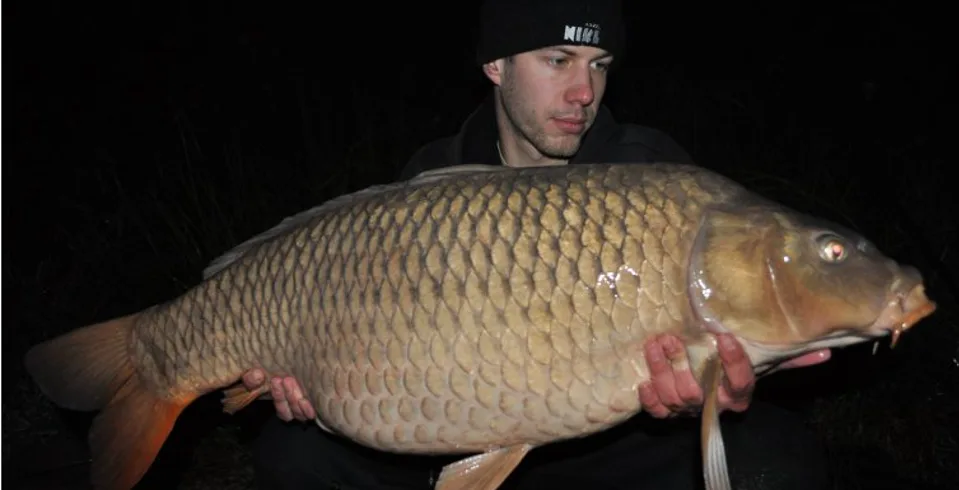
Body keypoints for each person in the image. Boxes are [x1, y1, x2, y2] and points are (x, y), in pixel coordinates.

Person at [241, 0, 832, 488]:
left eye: (599, 65)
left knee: (773, 457)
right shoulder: (432, 177)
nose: (584, 91)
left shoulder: (650, 174)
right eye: (558, 60)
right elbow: (363, 334)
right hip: (447, 431)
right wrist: (313, 383)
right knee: (294, 454)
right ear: (495, 65)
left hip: (606, 445)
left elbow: (707, 347)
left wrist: (701, 392)